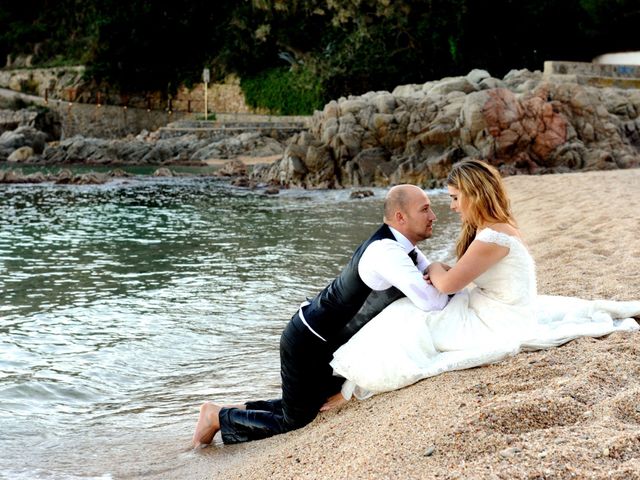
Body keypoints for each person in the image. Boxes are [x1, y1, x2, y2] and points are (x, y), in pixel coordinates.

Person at [329, 159, 640, 400]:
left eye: (454, 197)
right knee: (410, 315)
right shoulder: (496, 228)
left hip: (499, 320)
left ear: (473, 193)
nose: (450, 207)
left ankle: (351, 386)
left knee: (412, 320)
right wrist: (448, 272)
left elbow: (449, 285)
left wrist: (436, 266)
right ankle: (349, 383)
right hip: (499, 307)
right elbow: (468, 275)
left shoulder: (492, 236)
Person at [192, 184, 450, 447]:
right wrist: (440, 270)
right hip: (307, 341)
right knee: (295, 421)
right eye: (425, 209)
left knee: (315, 402)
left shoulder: (407, 251)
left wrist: (438, 272)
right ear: (400, 217)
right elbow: (432, 301)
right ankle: (215, 417)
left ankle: (230, 410)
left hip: (327, 344)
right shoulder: (386, 252)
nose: (433, 216)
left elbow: (433, 288)